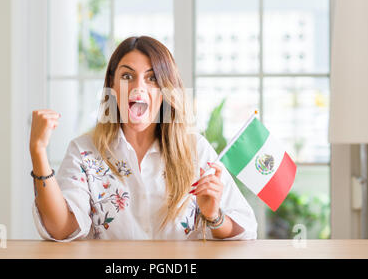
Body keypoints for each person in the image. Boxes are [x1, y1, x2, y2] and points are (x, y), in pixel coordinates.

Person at [29, 36, 257, 241]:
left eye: (152, 78)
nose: (138, 87)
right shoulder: (84, 150)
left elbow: (246, 229)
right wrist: (38, 151)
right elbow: (60, 229)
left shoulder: (196, 149)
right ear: (113, 86)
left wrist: (214, 215)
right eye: (127, 76)